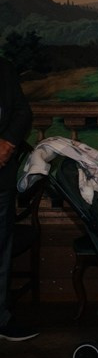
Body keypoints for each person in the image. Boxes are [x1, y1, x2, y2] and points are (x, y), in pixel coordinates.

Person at [0, 57, 35, 341]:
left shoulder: (3, 67)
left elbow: (22, 112)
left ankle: (1, 318)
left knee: (1, 249)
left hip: (1, 176)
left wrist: (8, 143)